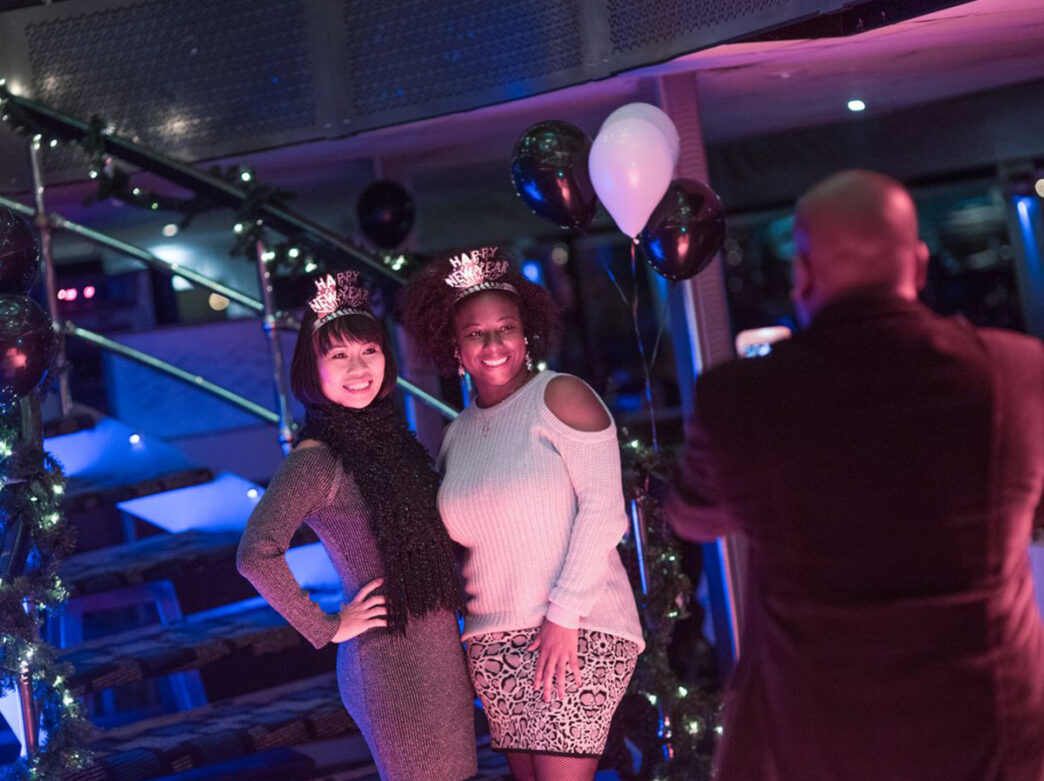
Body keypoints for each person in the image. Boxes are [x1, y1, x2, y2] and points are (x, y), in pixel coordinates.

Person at [667, 169, 1044, 781]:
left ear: (804, 275)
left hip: (818, 739)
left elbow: (692, 514)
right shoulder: (1019, 373)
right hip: (991, 734)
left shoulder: (739, 399)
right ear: (919, 266)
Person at [399, 247, 644, 781]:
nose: (492, 344)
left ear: (526, 332)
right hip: (492, 642)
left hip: (576, 627)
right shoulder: (457, 435)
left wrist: (562, 615)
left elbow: (604, 512)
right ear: (455, 347)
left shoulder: (559, 395)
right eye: (475, 333)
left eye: (504, 328)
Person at [236, 271, 477, 781]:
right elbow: (255, 554)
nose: (358, 367)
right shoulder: (317, 459)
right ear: (313, 368)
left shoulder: (391, 440)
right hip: (388, 661)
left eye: (368, 350)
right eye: (338, 355)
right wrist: (327, 625)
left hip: (438, 646)